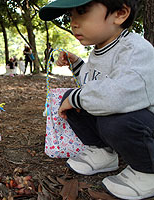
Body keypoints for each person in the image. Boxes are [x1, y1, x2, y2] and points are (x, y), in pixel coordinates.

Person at [39, 0, 154, 199]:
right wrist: (77, 65)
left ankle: (148, 171)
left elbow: (117, 95)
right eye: (70, 15)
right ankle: (103, 152)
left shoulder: (135, 49)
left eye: (82, 12)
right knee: (73, 101)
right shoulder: (100, 49)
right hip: (120, 113)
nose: (73, 23)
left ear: (120, 14)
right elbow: (93, 82)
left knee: (114, 119)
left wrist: (77, 97)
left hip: (144, 123)